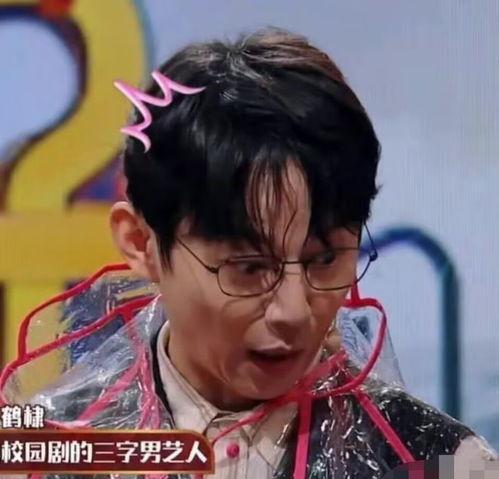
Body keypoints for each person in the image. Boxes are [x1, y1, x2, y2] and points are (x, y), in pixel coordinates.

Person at [1, 27, 496, 479]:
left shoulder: (443, 463)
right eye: (249, 268)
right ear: (141, 242)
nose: (293, 312)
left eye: (325, 259)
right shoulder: (43, 454)